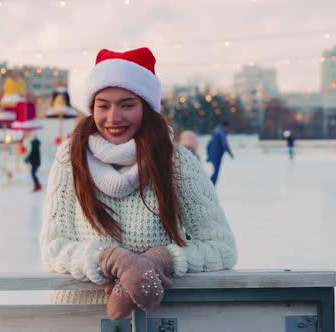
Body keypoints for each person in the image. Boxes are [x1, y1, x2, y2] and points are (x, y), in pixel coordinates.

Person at [40, 47, 237, 320]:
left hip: (158, 320)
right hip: (78, 318)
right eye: (103, 105)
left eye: (127, 104)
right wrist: (112, 260)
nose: (113, 118)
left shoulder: (177, 162)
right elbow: (54, 247)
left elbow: (220, 247)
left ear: (146, 107)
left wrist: (160, 260)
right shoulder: (71, 157)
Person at [206, 121, 234, 185]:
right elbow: (225, 144)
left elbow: (209, 144)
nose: (228, 129)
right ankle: (210, 186)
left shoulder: (216, 132)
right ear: (226, 127)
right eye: (228, 128)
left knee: (215, 172)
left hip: (213, 154)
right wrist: (230, 153)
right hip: (217, 155)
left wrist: (209, 155)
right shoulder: (221, 132)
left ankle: (209, 185)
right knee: (216, 172)